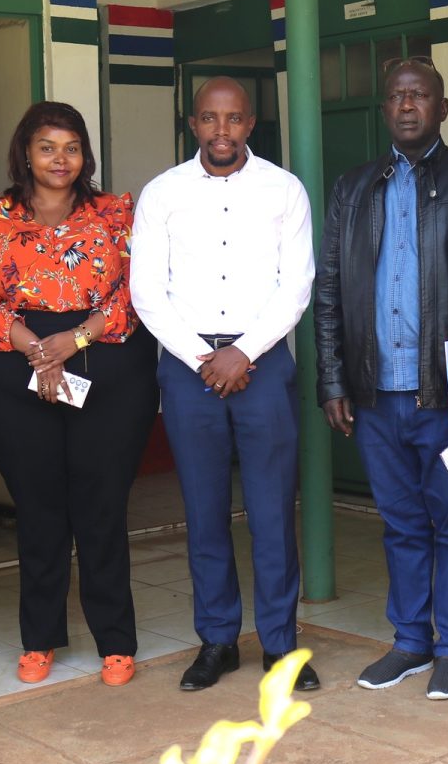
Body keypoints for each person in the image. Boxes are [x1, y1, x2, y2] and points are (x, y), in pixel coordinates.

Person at [0, 101, 159, 687]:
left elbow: (137, 290)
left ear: (84, 155)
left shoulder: (115, 214)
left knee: (102, 507)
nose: (59, 159)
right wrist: (35, 348)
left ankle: (115, 641)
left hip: (107, 364)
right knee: (39, 506)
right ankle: (39, 638)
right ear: (26, 152)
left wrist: (73, 340)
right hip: (12, 368)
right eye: (47, 147)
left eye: (71, 148)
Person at [131, 77, 319, 694]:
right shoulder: (163, 193)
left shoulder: (283, 189)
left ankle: (281, 646)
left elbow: (296, 284)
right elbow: (145, 292)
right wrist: (202, 358)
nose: (221, 130)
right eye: (210, 118)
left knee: (272, 512)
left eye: (233, 118)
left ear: (250, 124)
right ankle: (217, 640)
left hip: (262, 363)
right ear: (193, 125)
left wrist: (242, 352)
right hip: (189, 371)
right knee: (204, 510)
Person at [315, 57, 448, 699]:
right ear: (384, 109)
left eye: (419, 95)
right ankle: (411, 641)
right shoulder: (354, 188)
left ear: (443, 108)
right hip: (375, 392)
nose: (407, 105)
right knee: (402, 524)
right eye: (396, 96)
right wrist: (333, 379)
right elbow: (329, 288)